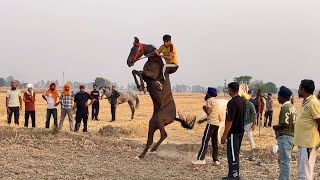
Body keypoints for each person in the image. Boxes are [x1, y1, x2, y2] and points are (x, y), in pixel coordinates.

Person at [294, 79, 320, 180]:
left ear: (303, 89)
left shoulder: (313, 103)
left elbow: (319, 121)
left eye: (299, 88)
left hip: (309, 143)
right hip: (303, 143)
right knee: (303, 172)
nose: (298, 90)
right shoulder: (306, 102)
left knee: (305, 174)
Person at [221, 82, 246, 180]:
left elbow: (229, 120)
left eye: (228, 89)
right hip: (240, 130)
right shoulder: (242, 101)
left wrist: (224, 135)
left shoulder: (231, 103)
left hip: (233, 132)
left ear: (230, 90)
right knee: (235, 152)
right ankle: (232, 173)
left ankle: (234, 175)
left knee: (232, 154)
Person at [192, 87, 221, 166]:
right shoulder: (216, 102)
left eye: (207, 92)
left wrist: (204, 108)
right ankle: (215, 160)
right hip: (216, 124)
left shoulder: (209, 100)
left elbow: (208, 112)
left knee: (205, 141)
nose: (206, 93)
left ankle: (201, 159)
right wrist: (203, 120)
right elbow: (216, 116)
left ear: (209, 94)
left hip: (210, 124)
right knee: (214, 142)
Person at [273, 86, 296, 180]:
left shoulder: (285, 107)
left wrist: (276, 127)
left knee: (284, 161)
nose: (277, 98)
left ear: (282, 97)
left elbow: (285, 124)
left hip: (286, 137)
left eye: (278, 96)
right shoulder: (291, 106)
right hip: (291, 136)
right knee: (283, 160)